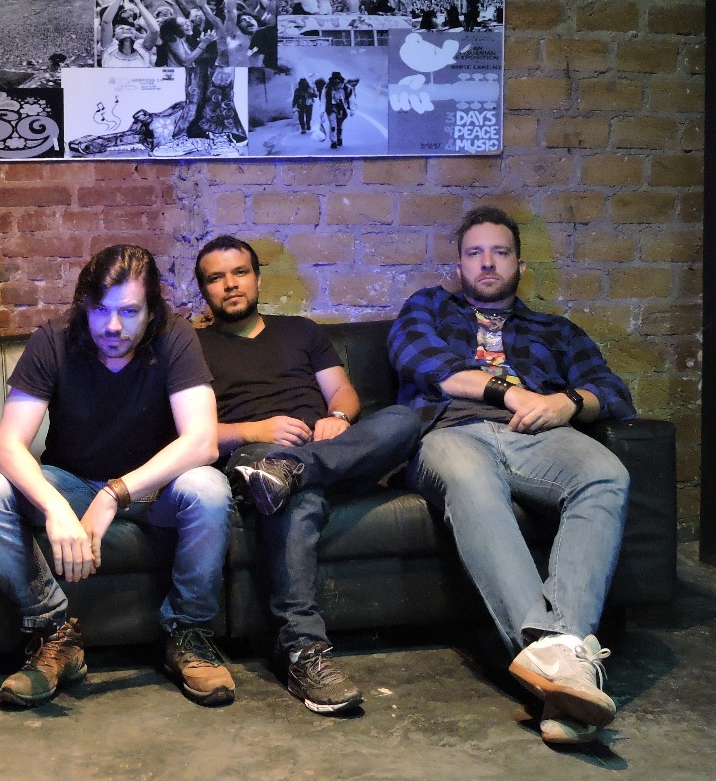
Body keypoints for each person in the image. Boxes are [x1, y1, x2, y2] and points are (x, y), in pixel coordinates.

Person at [387, 206, 634, 747]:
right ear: (459, 264)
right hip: (451, 430)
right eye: (474, 253)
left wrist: (569, 402)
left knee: (605, 473)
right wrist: (509, 392)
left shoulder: (555, 330)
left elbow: (612, 391)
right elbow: (423, 362)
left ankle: (559, 665)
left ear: (520, 264)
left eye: (499, 252)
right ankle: (561, 664)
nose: (487, 262)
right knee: (472, 481)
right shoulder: (429, 308)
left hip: (536, 434)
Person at [0, 245, 234, 708]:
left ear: (151, 310)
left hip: (155, 489)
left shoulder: (174, 337)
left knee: (209, 487)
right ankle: (55, 634)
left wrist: (115, 494)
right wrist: (55, 508)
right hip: (72, 483)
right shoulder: (53, 340)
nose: (112, 326)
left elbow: (202, 442)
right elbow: (7, 446)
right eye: (100, 311)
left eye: (129, 312)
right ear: (83, 306)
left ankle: (188, 634)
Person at [194, 236, 419, 715]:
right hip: (257, 455)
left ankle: (295, 471)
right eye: (216, 278)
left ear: (257, 278)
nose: (230, 284)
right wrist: (255, 430)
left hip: (326, 448)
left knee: (403, 419)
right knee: (291, 497)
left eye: (240, 272)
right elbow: (192, 433)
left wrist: (337, 417)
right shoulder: (193, 347)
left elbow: (342, 392)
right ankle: (302, 651)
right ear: (204, 290)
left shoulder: (300, 330)